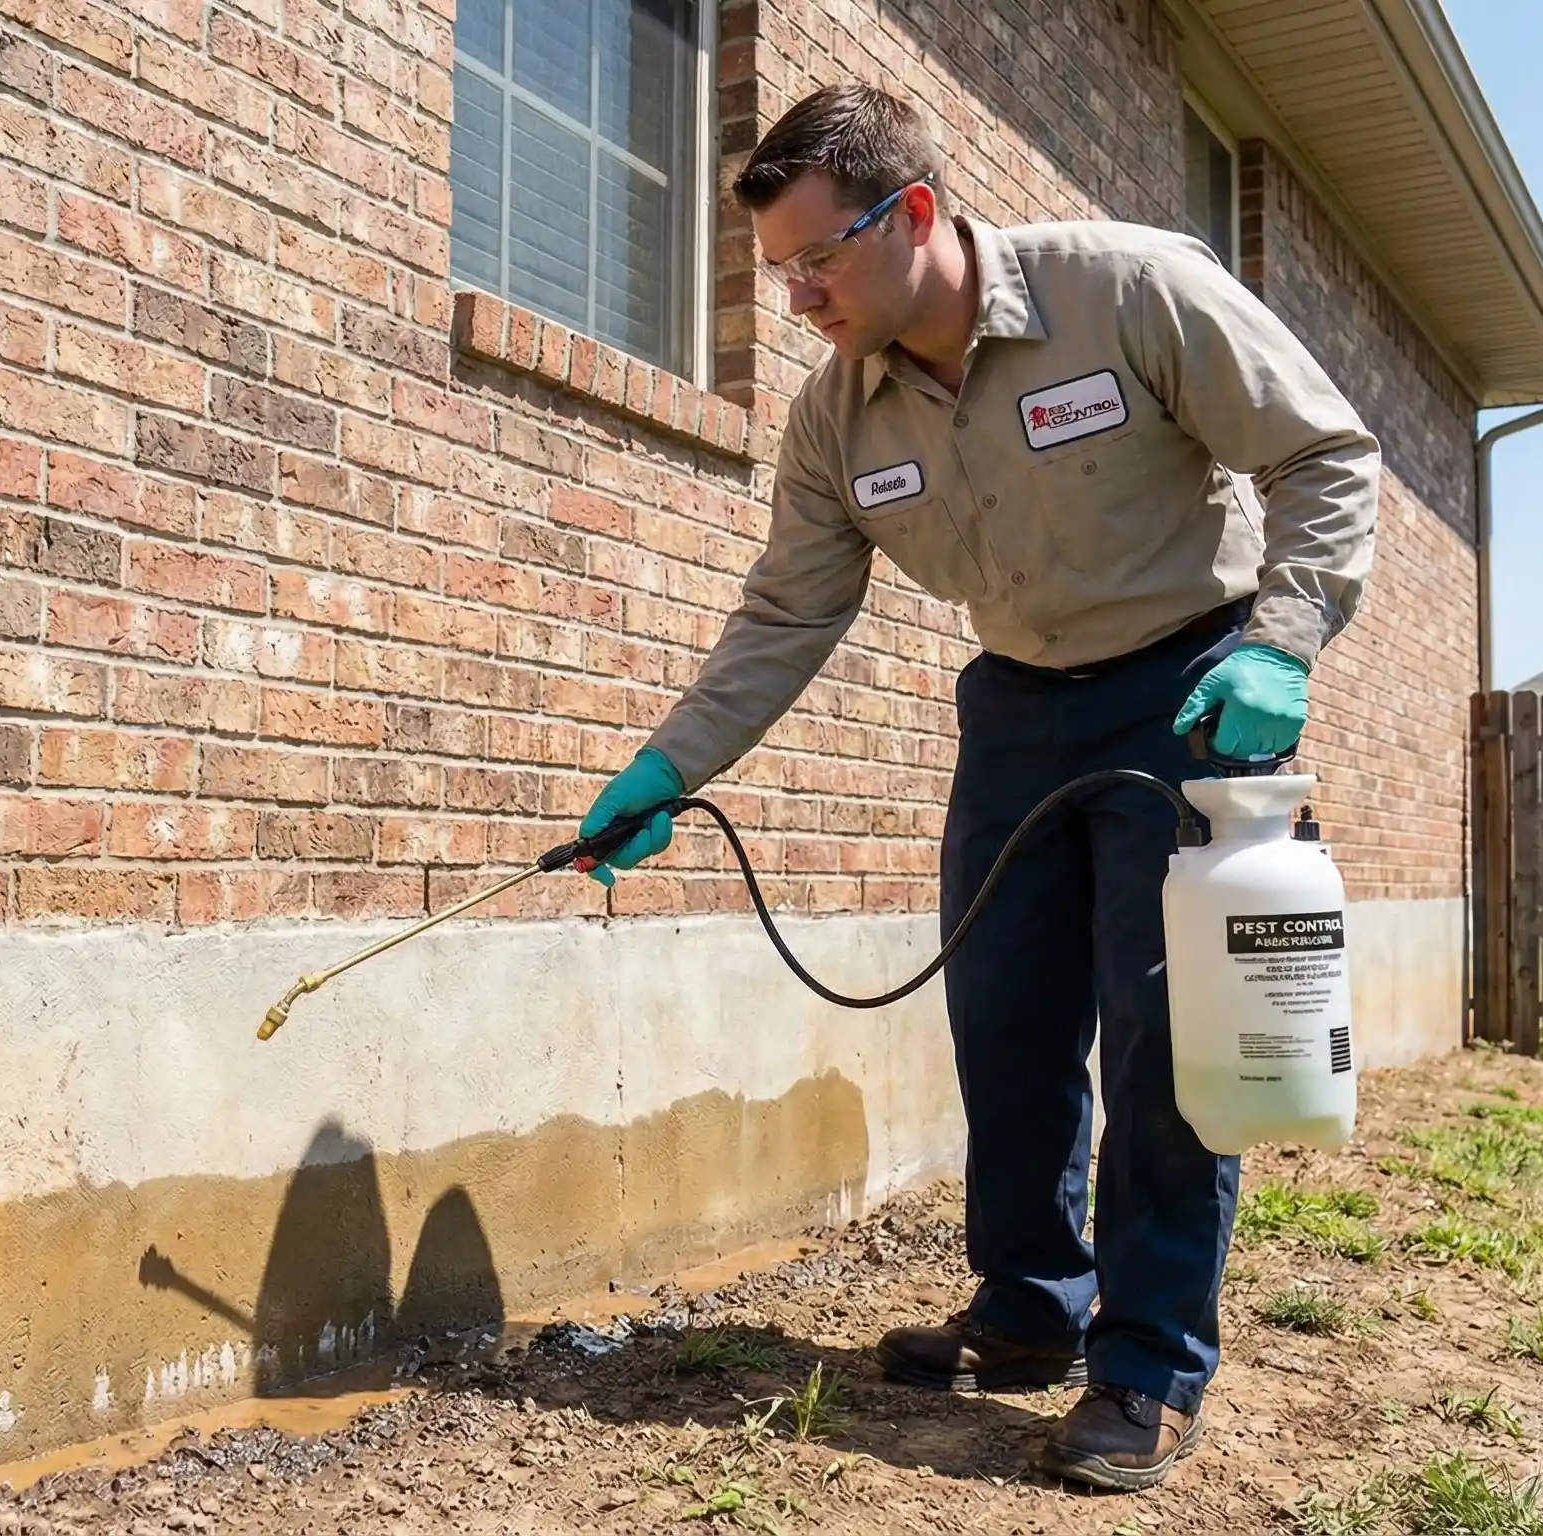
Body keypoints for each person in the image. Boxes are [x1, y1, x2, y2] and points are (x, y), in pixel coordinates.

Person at [577, 83, 1379, 1491]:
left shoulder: (1128, 289)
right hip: (1015, 709)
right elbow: (787, 613)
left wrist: (1285, 643)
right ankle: (1029, 1311)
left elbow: (1326, 455)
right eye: (780, 273)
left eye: (819, 261)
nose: (800, 298)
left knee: (1161, 1040)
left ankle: (1146, 1367)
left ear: (920, 216)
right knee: (1005, 1021)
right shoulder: (838, 422)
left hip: (1186, 692)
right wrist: (667, 766)